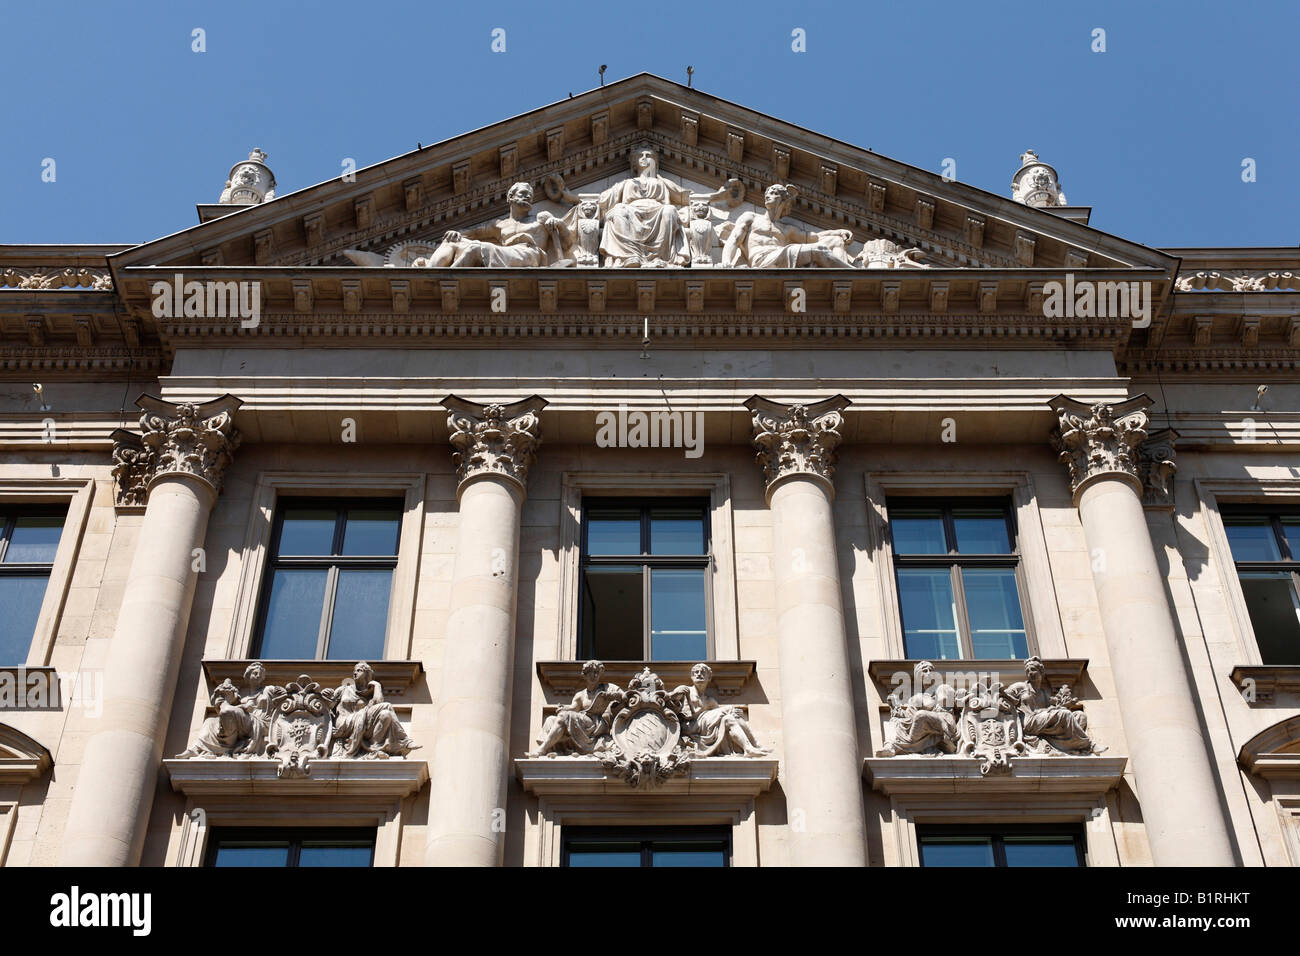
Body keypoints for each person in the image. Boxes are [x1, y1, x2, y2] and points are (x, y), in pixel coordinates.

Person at [417, 182, 561, 267]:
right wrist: (457, 234)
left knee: (477, 248)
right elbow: (473, 232)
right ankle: (429, 272)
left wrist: (557, 223)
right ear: (510, 197)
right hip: (506, 254)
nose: (528, 197)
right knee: (451, 242)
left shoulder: (540, 218)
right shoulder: (499, 225)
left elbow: (568, 240)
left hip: (528, 255)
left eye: (530, 195)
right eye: (523, 193)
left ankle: (444, 279)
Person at [724, 183, 855, 268]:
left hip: (780, 257)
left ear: (783, 201)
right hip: (761, 260)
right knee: (818, 250)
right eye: (768, 193)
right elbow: (734, 239)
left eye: (774, 193)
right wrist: (726, 262)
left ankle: (844, 275)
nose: (768, 196)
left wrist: (837, 232)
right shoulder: (751, 217)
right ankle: (852, 273)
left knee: (835, 241)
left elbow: (814, 237)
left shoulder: (786, 229)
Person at [670, 663, 770, 756]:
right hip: (688, 726)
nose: (699, 674)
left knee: (729, 718)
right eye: (696, 672)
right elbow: (668, 702)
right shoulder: (686, 690)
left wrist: (735, 713)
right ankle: (755, 744)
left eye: (703, 672)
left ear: (709, 677)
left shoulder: (710, 701)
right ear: (692, 677)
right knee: (730, 709)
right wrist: (674, 694)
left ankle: (750, 747)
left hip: (702, 726)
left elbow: (719, 714)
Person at [529, 660, 624, 756]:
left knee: (564, 716)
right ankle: (552, 750)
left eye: (596, 672)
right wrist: (563, 708)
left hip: (596, 724)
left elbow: (625, 697)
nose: (594, 675)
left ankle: (542, 749)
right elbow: (573, 708)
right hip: (584, 721)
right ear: (585, 675)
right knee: (550, 719)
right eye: (591, 672)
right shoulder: (580, 695)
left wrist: (616, 696)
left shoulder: (608, 687)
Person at [329, 662, 418, 758]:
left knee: (386, 714)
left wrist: (377, 686)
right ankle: (404, 741)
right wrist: (326, 695)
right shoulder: (343, 689)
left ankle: (375, 748)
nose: (355, 673)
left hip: (361, 722)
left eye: (359, 670)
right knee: (387, 705)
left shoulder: (368, 694)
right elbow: (329, 705)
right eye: (354, 671)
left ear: (367, 674)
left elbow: (378, 702)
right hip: (343, 723)